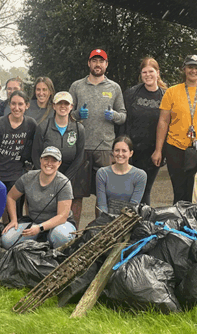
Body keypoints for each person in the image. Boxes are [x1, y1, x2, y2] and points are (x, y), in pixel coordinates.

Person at [153, 54, 197, 204]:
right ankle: (179, 224)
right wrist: (158, 150)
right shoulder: (172, 92)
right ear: (184, 69)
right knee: (179, 192)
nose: (193, 71)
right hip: (176, 147)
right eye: (190, 67)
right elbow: (163, 122)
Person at [69, 48, 127, 220]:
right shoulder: (76, 86)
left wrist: (114, 116)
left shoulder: (114, 87)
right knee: (76, 195)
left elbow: (123, 115)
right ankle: (71, 231)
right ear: (89, 63)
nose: (97, 64)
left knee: (103, 195)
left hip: (105, 148)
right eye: (94, 60)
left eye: (101, 61)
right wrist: (77, 115)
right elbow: (65, 113)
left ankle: (98, 232)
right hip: (81, 147)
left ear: (106, 64)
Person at [1, 146, 75, 249]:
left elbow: (62, 216)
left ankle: (55, 256)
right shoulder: (28, 177)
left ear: (59, 163)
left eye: (54, 160)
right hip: (34, 223)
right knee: (7, 240)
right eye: (46, 159)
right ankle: (40, 244)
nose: (49, 163)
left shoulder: (64, 183)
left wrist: (40, 228)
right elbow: (10, 197)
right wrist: (13, 220)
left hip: (59, 225)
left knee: (61, 237)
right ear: (40, 160)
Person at [32, 91, 86, 220]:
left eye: (66, 104)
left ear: (71, 106)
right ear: (54, 106)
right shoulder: (43, 127)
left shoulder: (79, 128)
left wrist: (66, 179)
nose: (63, 106)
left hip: (70, 174)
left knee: (69, 209)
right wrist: (47, 175)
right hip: (47, 173)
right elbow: (35, 154)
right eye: (59, 103)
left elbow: (80, 156)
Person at [123, 57, 167, 205]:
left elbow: (168, 125)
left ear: (158, 73)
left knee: (145, 189)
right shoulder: (131, 94)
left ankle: (143, 223)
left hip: (153, 152)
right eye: (144, 72)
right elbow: (124, 121)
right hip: (132, 151)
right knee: (129, 189)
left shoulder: (166, 96)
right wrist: (122, 149)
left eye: (151, 71)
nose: (148, 75)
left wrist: (160, 151)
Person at [0, 90, 37, 217]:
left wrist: (27, 171)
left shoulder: (31, 124)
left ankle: (14, 232)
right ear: (9, 104)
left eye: (20, 104)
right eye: (13, 104)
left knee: (16, 213)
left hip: (18, 174)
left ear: (27, 105)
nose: (16, 108)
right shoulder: (0, 123)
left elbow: (34, 150)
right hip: (0, 171)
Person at [95, 137, 146, 214]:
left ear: (131, 153)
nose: (120, 154)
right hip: (106, 219)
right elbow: (102, 205)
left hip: (129, 219)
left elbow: (133, 206)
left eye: (124, 151)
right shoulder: (102, 173)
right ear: (112, 152)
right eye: (117, 150)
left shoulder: (140, 175)